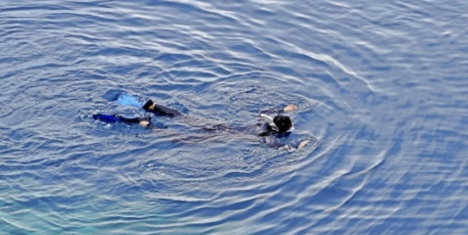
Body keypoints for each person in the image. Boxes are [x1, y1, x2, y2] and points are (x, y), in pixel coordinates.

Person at [94, 94, 309, 149]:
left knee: (182, 117)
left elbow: (263, 110)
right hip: (221, 134)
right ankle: (146, 124)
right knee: (183, 139)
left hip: (219, 125)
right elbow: (274, 146)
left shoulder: (263, 119)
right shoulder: (265, 135)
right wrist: (295, 147)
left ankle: (153, 107)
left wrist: (283, 109)